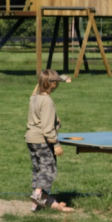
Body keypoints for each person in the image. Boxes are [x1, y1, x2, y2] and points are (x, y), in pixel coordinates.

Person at [26, 70, 73, 213]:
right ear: (52, 84)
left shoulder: (34, 97)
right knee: (48, 169)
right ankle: (37, 195)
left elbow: (39, 87)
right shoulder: (47, 101)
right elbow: (47, 128)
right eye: (56, 82)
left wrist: (61, 79)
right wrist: (56, 144)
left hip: (31, 139)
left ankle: (38, 204)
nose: (57, 85)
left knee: (38, 169)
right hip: (42, 140)